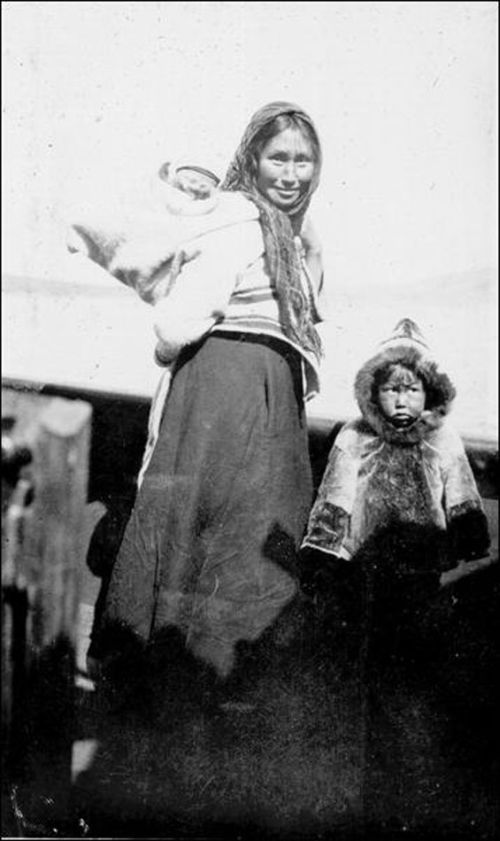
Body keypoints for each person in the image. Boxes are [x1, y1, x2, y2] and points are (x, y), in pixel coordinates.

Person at [89, 101, 325, 684]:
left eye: (304, 160)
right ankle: (194, 672)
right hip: (227, 391)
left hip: (260, 397)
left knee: (237, 527)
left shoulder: (285, 234)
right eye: (279, 158)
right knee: (219, 523)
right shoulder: (240, 222)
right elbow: (177, 323)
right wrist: (180, 360)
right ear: (252, 159)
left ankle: (205, 670)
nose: (292, 173)